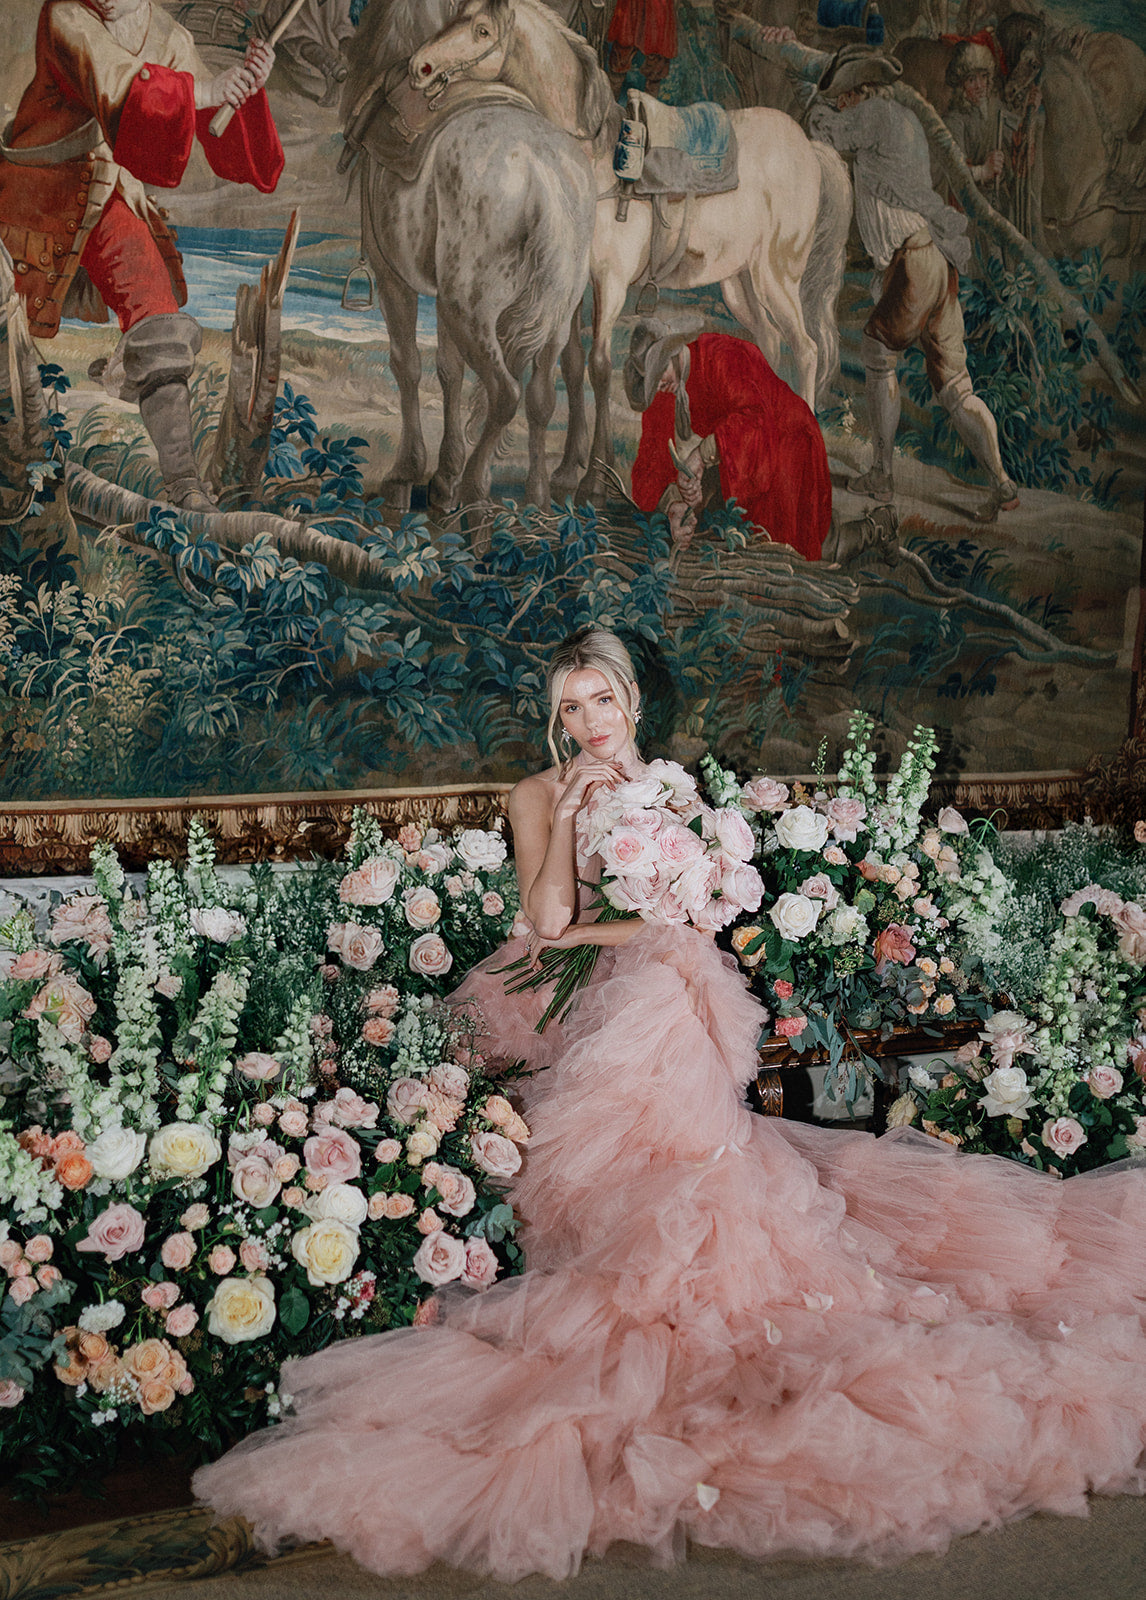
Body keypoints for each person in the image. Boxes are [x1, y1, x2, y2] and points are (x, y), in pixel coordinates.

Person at [195, 628, 1146, 1583]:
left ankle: (689, 1216)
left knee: (667, 1015)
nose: (586, 723)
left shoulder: (679, 792)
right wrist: (571, 821)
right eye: (569, 708)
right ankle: (630, 1216)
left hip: (665, 981)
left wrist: (668, 917)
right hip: (560, 982)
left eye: (599, 701)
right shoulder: (538, 792)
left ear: (632, 702)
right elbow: (551, 924)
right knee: (633, 1028)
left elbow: (705, 912)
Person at [0, 0, 284, 510]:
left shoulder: (170, 36)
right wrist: (210, 89)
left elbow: (217, 135)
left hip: (100, 192)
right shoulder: (65, 15)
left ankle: (182, 485)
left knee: (158, 317)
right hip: (28, 200)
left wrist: (244, 90)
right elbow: (124, 85)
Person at [805, 49, 1020, 522]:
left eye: (843, 98)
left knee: (877, 357)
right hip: (938, 260)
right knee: (957, 388)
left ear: (858, 93)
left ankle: (882, 474)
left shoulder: (874, 116)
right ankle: (1001, 481)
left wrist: (814, 103)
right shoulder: (905, 120)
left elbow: (824, 131)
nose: (841, 105)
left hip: (914, 260)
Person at [624, 321, 831, 562]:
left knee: (776, 549)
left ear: (675, 352)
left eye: (658, 373)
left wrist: (701, 456)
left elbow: (755, 422)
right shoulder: (664, 389)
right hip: (742, 455)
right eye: (650, 381)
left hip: (788, 443)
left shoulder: (723, 355)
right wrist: (673, 505)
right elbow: (650, 459)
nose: (657, 385)